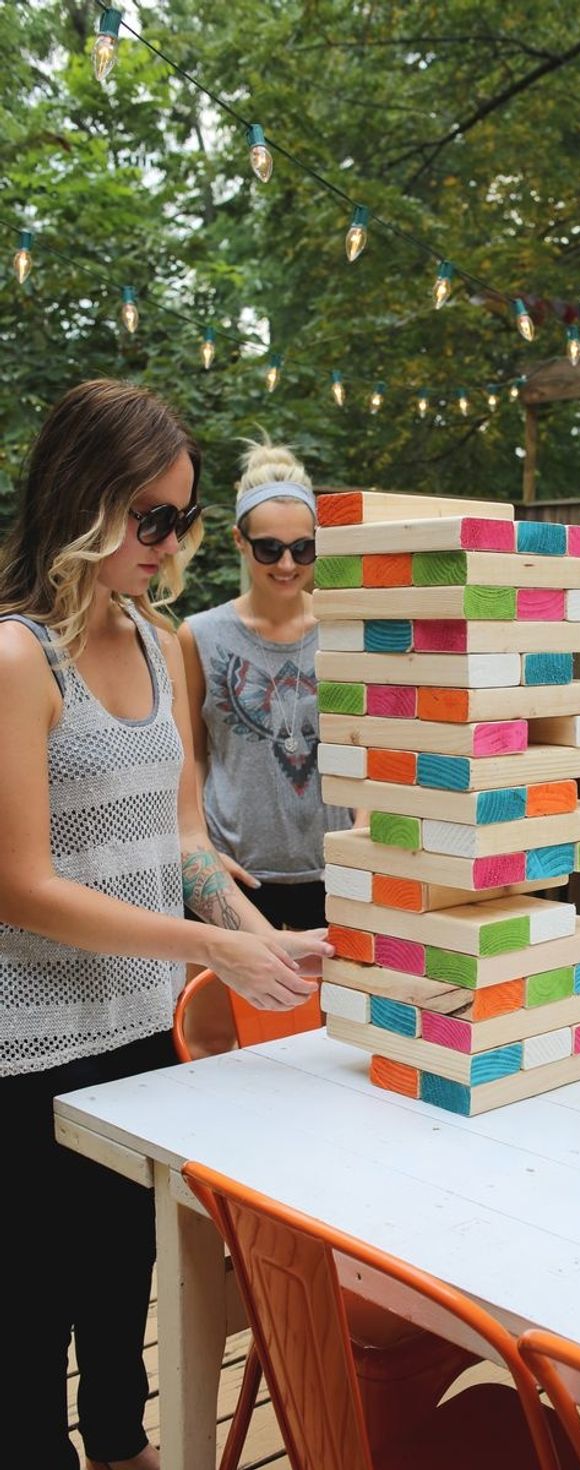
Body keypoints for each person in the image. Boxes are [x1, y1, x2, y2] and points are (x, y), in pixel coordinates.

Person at [0, 380, 331, 1470]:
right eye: (152, 518)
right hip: (29, 1046)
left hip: (142, 1027)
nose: (172, 543)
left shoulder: (155, 640)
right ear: (82, 498)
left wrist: (259, 937)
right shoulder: (16, 657)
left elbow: (184, 841)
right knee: (28, 1310)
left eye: (183, 519)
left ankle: (122, 1444)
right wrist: (211, 948)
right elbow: (19, 887)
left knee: (119, 1275)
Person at [177, 439, 355, 936]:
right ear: (239, 541)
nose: (287, 565)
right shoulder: (200, 636)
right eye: (269, 548)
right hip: (235, 874)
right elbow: (192, 755)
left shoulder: (347, 630)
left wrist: (364, 835)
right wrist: (201, 852)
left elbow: (374, 743)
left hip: (336, 870)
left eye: (303, 548)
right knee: (218, 991)